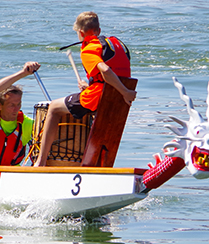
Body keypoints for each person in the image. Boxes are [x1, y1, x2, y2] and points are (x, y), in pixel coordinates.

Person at [34, 11, 136, 167]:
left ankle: (40, 162)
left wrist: (125, 92)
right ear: (99, 30)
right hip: (116, 100)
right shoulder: (115, 44)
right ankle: (99, 165)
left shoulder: (89, 48)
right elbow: (113, 73)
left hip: (105, 96)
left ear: (80, 32)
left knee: (54, 108)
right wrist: (91, 86)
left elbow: (107, 71)